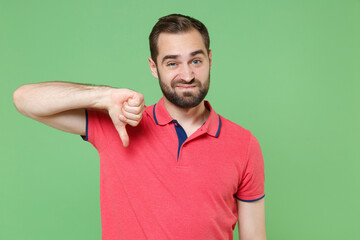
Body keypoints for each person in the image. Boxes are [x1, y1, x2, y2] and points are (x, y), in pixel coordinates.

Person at [13, 14, 266, 240]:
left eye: (196, 61)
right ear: (153, 67)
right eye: (172, 63)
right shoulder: (119, 122)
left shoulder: (244, 145)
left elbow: (254, 235)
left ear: (210, 59)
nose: (187, 75)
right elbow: (25, 99)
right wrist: (103, 97)